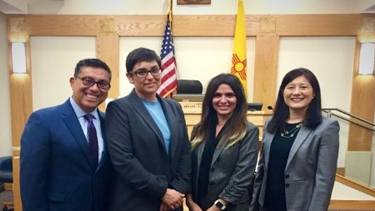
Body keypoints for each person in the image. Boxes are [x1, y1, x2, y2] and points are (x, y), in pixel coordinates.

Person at [20, 58, 113, 211]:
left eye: (102, 83)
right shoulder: (43, 121)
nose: (95, 88)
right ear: (72, 82)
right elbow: (32, 182)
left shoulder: (109, 122)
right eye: (88, 80)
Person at [105, 47, 191, 211]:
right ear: (130, 77)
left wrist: (176, 190)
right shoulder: (119, 108)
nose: (150, 77)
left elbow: (185, 152)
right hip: (137, 201)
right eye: (142, 72)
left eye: (154, 70)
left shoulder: (174, 107)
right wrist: (162, 191)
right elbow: (123, 160)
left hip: (172, 203)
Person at [250, 68, 340, 211]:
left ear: (314, 93)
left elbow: (325, 180)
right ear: (283, 92)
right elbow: (262, 169)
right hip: (267, 203)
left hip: (300, 205)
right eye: (290, 87)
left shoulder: (326, 128)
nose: (296, 92)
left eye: (303, 87)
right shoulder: (271, 123)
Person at [186, 73, 259, 211]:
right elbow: (189, 167)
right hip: (198, 205)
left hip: (231, 207)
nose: (223, 100)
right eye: (217, 95)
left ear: (238, 99)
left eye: (229, 95)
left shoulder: (248, 131)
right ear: (209, 99)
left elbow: (243, 176)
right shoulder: (199, 129)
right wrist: (190, 202)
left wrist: (218, 206)